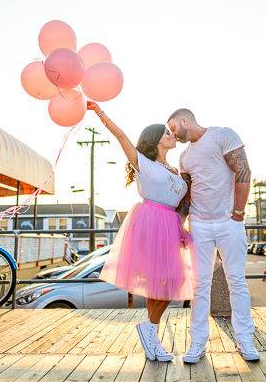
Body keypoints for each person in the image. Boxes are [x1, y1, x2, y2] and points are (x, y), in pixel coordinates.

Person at [88, 102, 194, 362]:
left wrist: (181, 227)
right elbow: (121, 136)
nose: (171, 135)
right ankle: (151, 331)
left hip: (171, 224)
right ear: (156, 140)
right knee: (161, 282)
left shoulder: (176, 170)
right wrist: (100, 113)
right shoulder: (143, 162)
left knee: (168, 281)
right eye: (166, 133)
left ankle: (151, 333)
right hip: (150, 221)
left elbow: (184, 202)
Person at [168, 108, 260, 363]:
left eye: (173, 127)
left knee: (237, 282)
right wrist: (180, 224)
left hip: (229, 222)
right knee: (199, 286)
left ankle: (245, 340)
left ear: (184, 120)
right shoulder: (184, 157)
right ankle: (197, 343)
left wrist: (238, 213)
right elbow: (187, 195)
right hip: (200, 225)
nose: (172, 135)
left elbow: (243, 172)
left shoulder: (223, 135)